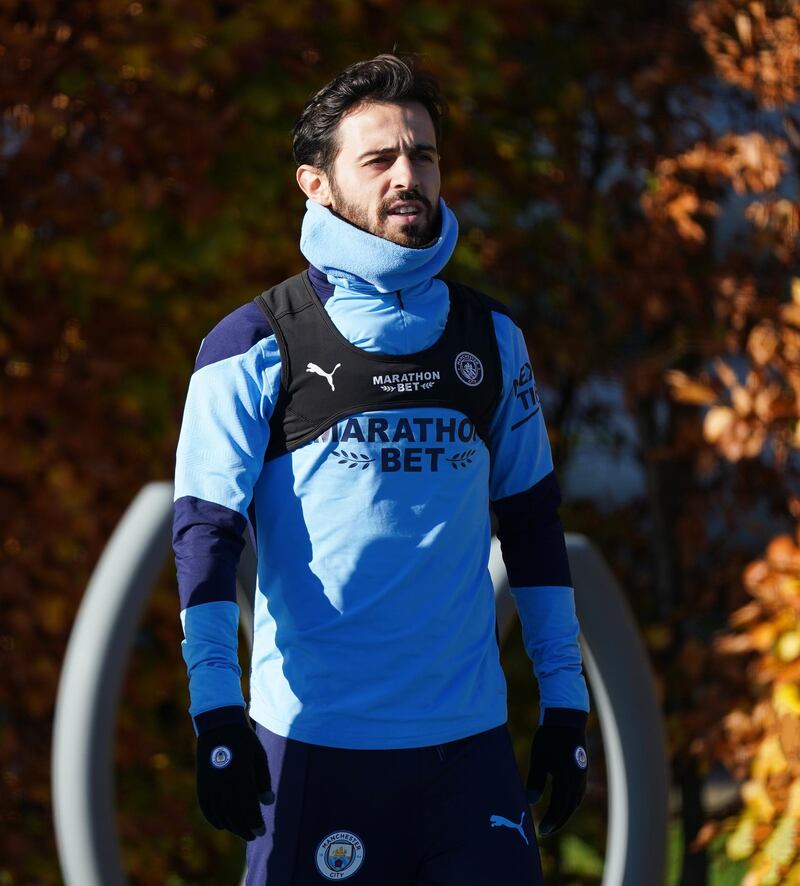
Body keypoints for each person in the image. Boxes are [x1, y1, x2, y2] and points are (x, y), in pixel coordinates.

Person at [173, 52, 590, 886]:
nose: (409, 176)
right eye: (380, 159)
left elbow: (535, 528)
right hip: (315, 748)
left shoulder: (492, 338)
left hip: (468, 754)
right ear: (315, 184)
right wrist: (216, 712)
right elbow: (205, 540)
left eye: (424, 155)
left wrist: (565, 700)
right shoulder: (252, 346)